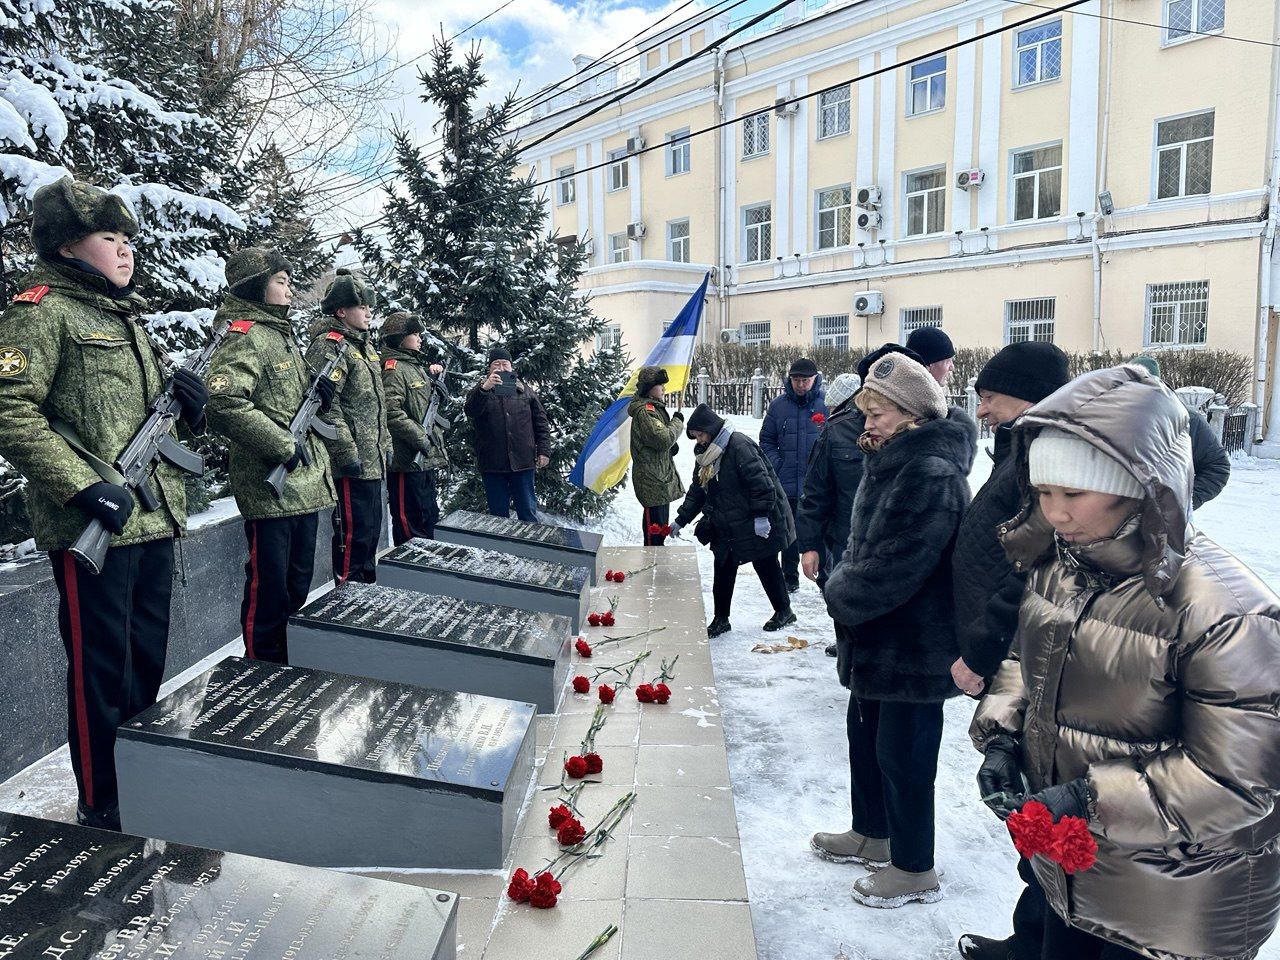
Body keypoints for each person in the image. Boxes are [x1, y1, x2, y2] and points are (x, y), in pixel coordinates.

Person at [971, 364, 1280, 960]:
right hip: (1076, 870)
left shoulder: (1225, 613)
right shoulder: (1061, 567)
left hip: (1176, 898)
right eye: (1043, 493)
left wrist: (1086, 800)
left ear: (1139, 485)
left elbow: (1236, 781)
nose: (1055, 513)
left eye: (1074, 494)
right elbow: (1022, 661)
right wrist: (1002, 739)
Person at [0, 177, 207, 830]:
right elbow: (10, 405)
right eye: (109, 238)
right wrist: (81, 486)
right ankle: (102, 806)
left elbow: (133, 422)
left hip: (150, 520)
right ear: (65, 246)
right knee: (102, 675)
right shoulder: (41, 310)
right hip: (93, 525)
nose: (126, 252)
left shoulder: (124, 318)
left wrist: (188, 411)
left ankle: (138, 782)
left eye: (128, 240)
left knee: (145, 664)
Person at [813, 352, 976, 907]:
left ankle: (914, 866)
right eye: (866, 411)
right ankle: (872, 833)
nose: (867, 423)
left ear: (910, 415)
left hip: (913, 644)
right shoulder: (891, 460)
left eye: (878, 413)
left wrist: (840, 591)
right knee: (868, 741)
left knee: (905, 756)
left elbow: (901, 563)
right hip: (878, 639)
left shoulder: (929, 471)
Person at [949, 342, 1070, 960]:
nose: (981, 407)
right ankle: (1032, 941)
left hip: (1021, 653)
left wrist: (985, 649)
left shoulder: (1045, 462)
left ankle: (1036, 945)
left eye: (990, 395)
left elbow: (1028, 577)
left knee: (1048, 818)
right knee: (1030, 812)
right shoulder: (1020, 449)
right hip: (1012, 659)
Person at [205, 247, 336, 665]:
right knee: (270, 590)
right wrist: (281, 445)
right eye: (281, 281)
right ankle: (262, 669)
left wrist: (320, 400)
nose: (289, 288)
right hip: (271, 487)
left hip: (303, 486)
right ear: (257, 287)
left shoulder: (280, 334)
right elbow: (223, 402)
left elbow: (286, 403)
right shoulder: (247, 334)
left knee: (297, 585)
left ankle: (286, 661)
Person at [670, 403, 796, 636]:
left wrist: (761, 517)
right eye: (695, 437)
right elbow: (698, 489)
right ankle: (721, 618)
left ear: (711, 428)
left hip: (757, 517)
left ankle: (784, 610)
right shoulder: (706, 455)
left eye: (700, 435)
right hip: (727, 520)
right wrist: (681, 519)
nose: (699, 441)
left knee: (766, 563)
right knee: (723, 564)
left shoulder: (739, 446)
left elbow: (763, 484)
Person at [305, 268, 390, 584]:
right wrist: (345, 452)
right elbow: (326, 406)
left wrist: (386, 447)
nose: (369, 312)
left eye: (370, 306)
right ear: (341, 311)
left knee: (369, 536)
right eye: (361, 306)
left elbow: (376, 405)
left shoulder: (363, 346)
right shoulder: (330, 345)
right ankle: (348, 605)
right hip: (351, 463)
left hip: (372, 459)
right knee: (352, 541)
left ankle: (366, 601)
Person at [760, 357, 827, 591]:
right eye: (796, 380)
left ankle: (825, 578)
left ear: (814, 379)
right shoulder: (779, 406)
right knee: (788, 533)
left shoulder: (825, 404)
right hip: (786, 481)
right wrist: (778, 464)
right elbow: (766, 440)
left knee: (819, 530)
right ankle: (789, 578)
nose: (800, 385)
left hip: (816, 483)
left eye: (805, 380)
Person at [1129, 354, 1230, 508]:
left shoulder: (1189, 421)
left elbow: (1217, 466)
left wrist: (1184, 501)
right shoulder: (1107, 420)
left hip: (1166, 524)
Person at [464, 345, 551, 522]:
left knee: (527, 513)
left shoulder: (525, 390)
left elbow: (540, 421)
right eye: (496, 364)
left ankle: (529, 548)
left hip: (523, 462)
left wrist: (543, 450)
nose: (501, 368)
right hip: (493, 464)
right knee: (498, 517)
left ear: (512, 367)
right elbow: (471, 411)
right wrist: (484, 389)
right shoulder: (480, 391)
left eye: (505, 364)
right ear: (489, 368)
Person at [381, 311, 446, 544]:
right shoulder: (394, 369)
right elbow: (391, 412)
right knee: (410, 524)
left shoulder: (414, 366)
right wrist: (420, 437)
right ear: (400, 338)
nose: (420, 339)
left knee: (428, 517)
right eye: (414, 334)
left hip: (423, 459)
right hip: (406, 460)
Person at [795, 372, 862, 590]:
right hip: (841, 538)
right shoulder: (834, 432)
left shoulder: (886, 429)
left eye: (833, 408)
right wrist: (810, 545)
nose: (830, 413)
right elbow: (816, 493)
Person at [628, 365, 684, 546]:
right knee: (654, 535)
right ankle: (652, 566)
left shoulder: (654, 408)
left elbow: (658, 443)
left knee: (660, 529)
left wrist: (669, 449)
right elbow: (662, 439)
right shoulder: (646, 411)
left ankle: (657, 566)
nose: (664, 389)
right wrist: (677, 422)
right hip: (652, 480)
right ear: (650, 389)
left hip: (659, 478)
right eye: (660, 385)